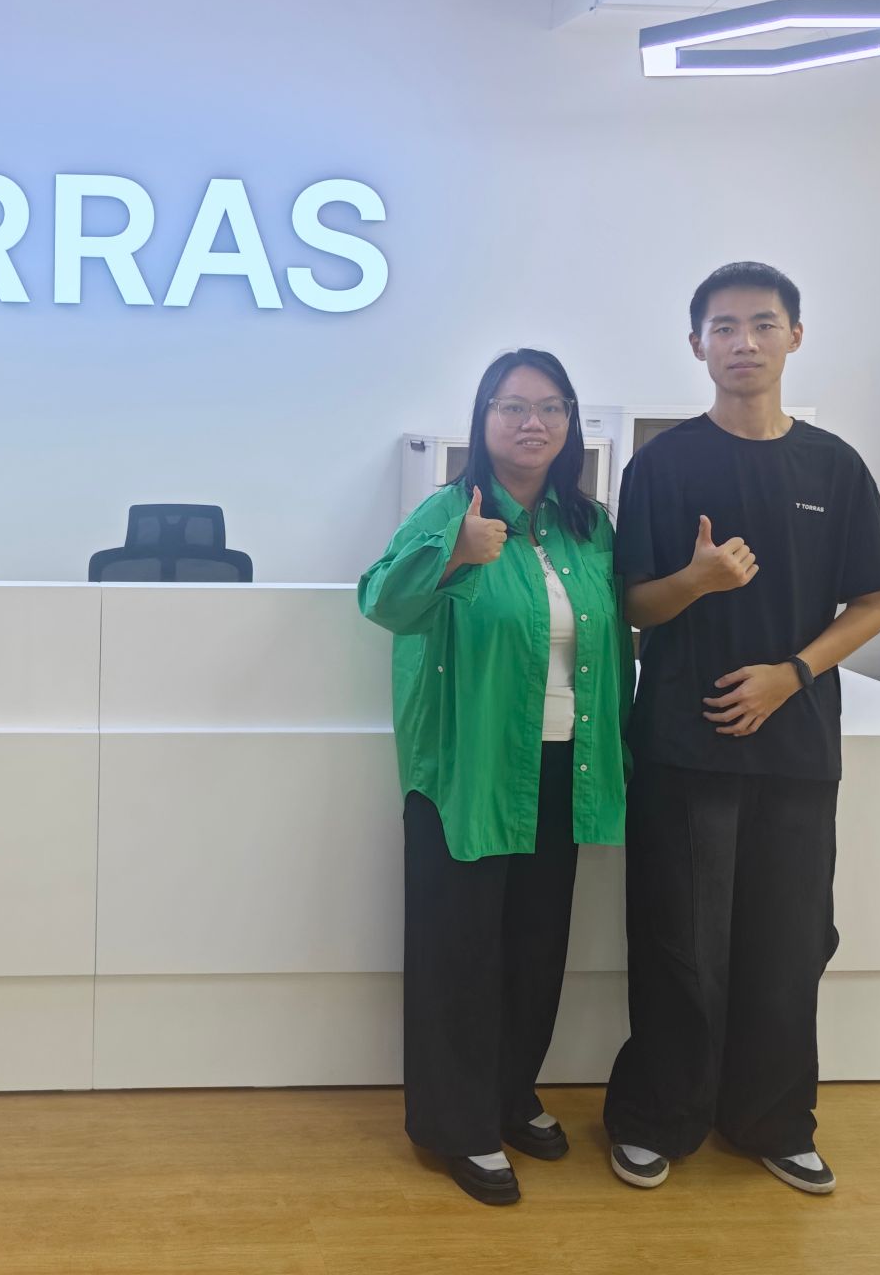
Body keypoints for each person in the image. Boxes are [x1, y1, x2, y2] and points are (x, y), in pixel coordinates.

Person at [602, 262, 880, 1197]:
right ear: (697, 344)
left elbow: (871, 606)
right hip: (682, 744)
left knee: (789, 943)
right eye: (724, 327)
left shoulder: (834, 466)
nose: (744, 342)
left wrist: (792, 674)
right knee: (677, 942)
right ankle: (657, 1117)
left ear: (794, 337)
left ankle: (773, 1120)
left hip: (798, 744)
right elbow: (632, 608)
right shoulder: (663, 466)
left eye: (763, 324)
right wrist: (697, 581)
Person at [358, 349, 632, 1206]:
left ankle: (512, 1095)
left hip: (562, 763)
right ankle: (459, 1125)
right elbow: (380, 600)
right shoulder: (452, 510)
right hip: (467, 770)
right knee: (460, 951)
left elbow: (614, 632)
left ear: (570, 423)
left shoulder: (588, 525)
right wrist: (455, 553)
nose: (531, 422)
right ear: (483, 421)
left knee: (536, 946)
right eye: (512, 406)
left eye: (550, 407)